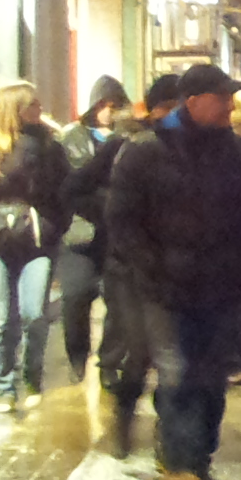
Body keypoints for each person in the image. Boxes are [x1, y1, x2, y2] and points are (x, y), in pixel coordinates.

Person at [105, 62, 241, 480]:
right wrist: (148, 267)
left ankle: (195, 460)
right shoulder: (144, 151)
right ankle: (184, 464)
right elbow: (122, 221)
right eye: (222, 97)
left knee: (211, 378)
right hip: (163, 288)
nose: (230, 105)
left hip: (222, 284)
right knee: (178, 370)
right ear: (193, 102)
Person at [0, 80, 73, 416]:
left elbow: (64, 193)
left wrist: (53, 228)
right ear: (15, 109)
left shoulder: (50, 146)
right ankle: (4, 387)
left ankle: (32, 378)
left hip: (36, 240)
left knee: (34, 313)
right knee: (0, 317)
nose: (39, 109)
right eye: (32, 104)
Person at [82, 75, 183, 451]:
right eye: (173, 107)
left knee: (173, 359)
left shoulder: (198, 149)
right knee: (144, 353)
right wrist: (109, 219)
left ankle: (173, 441)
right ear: (158, 109)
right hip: (131, 270)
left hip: (178, 268)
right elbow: (75, 188)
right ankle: (127, 419)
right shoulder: (127, 146)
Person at [55, 76, 132, 385]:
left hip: (117, 233)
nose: (108, 111)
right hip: (80, 231)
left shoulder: (129, 137)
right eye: (103, 105)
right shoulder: (70, 138)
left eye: (114, 105)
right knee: (75, 297)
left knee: (118, 299)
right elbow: (68, 183)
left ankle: (109, 362)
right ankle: (77, 357)